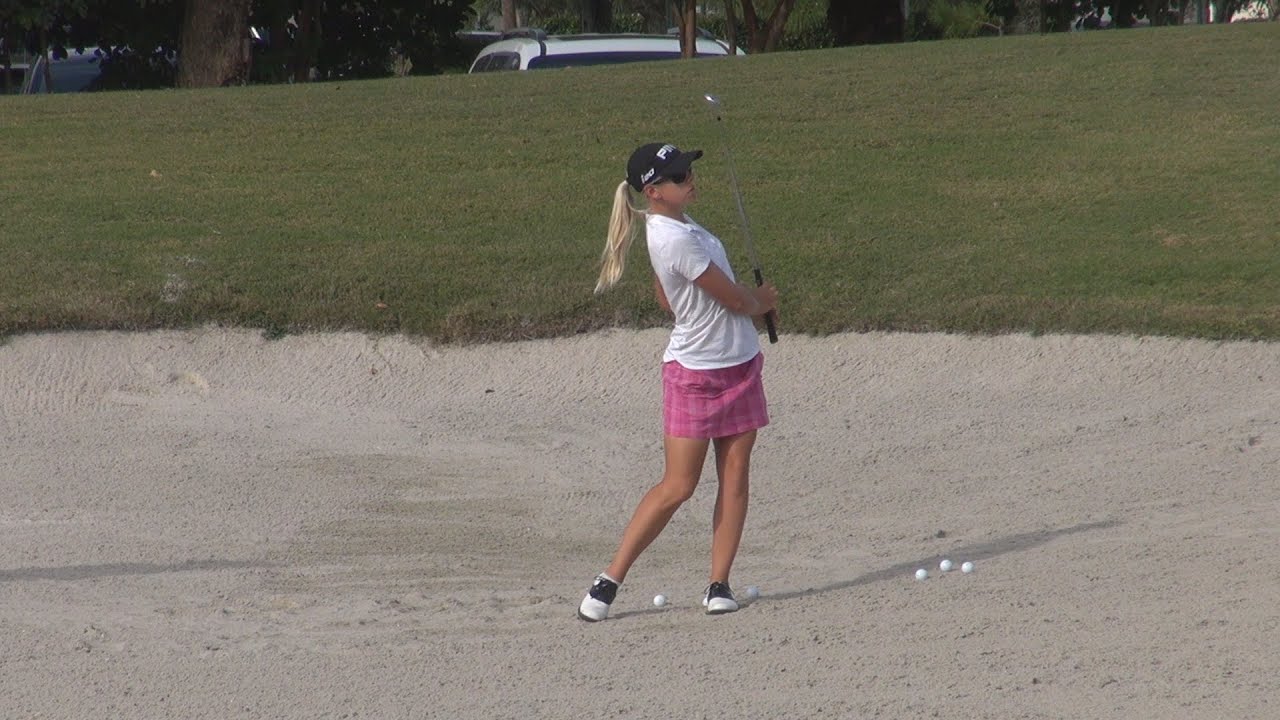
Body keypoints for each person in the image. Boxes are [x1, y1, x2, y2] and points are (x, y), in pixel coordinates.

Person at [577, 142, 778, 621]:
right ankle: (609, 581)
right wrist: (763, 300)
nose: (690, 179)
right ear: (654, 191)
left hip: (740, 365)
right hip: (695, 377)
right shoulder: (674, 238)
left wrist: (747, 305)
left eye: (688, 171)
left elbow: (670, 300)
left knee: (734, 480)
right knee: (678, 485)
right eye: (679, 176)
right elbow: (733, 300)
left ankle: (718, 585)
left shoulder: (680, 224)